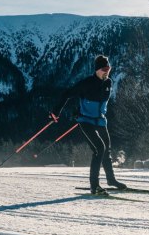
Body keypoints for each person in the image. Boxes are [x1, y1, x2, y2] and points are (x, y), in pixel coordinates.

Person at [50, 55, 127, 195]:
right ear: (97, 70)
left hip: (101, 120)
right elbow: (67, 94)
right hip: (86, 121)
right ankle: (94, 186)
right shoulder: (86, 83)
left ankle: (111, 180)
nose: (107, 71)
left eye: (108, 68)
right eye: (104, 69)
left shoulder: (108, 83)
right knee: (99, 149)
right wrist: (56, 112)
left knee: (106, 150)